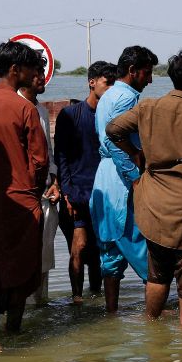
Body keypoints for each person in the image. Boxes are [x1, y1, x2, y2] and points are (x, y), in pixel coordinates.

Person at [105, 49, 182, 325]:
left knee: (157, 272)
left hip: (154, 203)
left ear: (172, 78)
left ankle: (152, 327)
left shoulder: (148, 107)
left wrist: (136, 153)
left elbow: (113, 130)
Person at [0, 41, 49, 331]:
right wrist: (34, 189)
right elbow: (40, 161)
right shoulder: (24, 108)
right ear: (15, 70)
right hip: (21, 201)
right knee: (20, 274)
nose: (35, 73)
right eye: (32, 67)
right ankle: (14, 332)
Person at [91, 46, 156, 313]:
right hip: (121, 177)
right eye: (147, 73)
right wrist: (135, 177)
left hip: (104, 177)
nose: (150, 80)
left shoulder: (107, 95)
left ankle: (111, 312)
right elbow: (115, 141)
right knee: (140, 242)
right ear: (133, 71)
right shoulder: (127, 98)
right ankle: (155, 312)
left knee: (111, 251)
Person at [55, 61, 115, 303]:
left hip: (104, 192)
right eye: (106, 82)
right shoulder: (71, 115)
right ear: (92, 82)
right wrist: (67, 192)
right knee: (78, 247)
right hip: (77, 192)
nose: (110, 88)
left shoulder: (112, 117)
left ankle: (97, 296)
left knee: (100, 252)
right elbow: (61, 156)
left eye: (113, 83)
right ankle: (77, 299)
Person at [18, 71, 61, 306]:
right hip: (24, 197)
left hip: (46, 194)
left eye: (43, 75)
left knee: (45, 258)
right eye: (36, 75)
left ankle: (40, 307)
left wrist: (54, 181)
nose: (42, 79)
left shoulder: (42, 111)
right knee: (23, 260)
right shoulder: (16, 107)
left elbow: (48, 153)